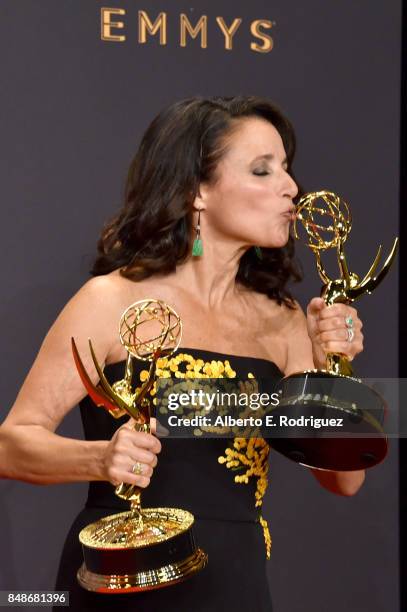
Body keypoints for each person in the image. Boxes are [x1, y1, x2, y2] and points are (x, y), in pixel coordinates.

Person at [0, 96, 365, 611]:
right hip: (123, 580)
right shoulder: (111, 300)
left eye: (287, 168)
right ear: (198, 190)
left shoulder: (285, 322)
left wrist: (336, 369)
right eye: (263, 170)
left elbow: (347, 479)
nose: (291, 188)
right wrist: (100, 459)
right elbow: (11, 445)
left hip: (234, 582)